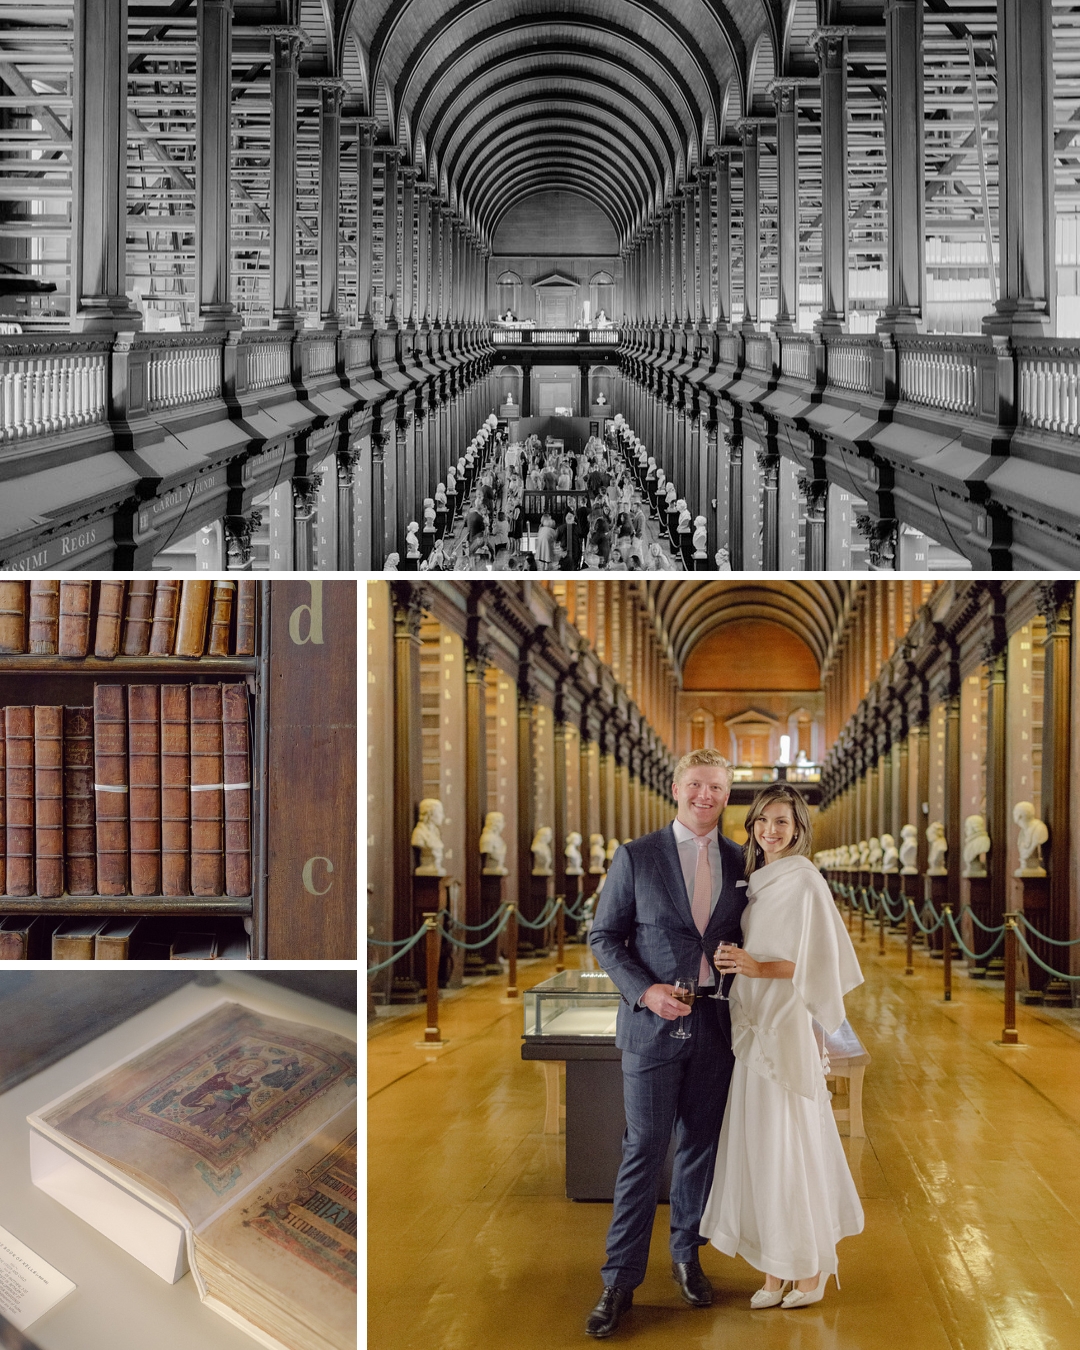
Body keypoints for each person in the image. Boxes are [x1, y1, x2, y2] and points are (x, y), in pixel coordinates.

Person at [586, 749, 746, 1338]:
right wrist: (644, 990)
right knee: (644, 1148)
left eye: (718, 788)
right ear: (676, 788)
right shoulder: (637, 856)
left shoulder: (741, 861)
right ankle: (619, 1281)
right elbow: (604, 937)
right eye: (697, 785)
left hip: (715, 1026)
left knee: (700, 1145)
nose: (706, 796)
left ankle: (687, 1256)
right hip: (653, 1025)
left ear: (727, 796)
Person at [699, 782, 864, 1308]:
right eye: (762, 821)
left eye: (782, 823)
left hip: (785, 1020)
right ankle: (775, 1269)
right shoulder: (760, 879)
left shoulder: (806, 881)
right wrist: (739, 963)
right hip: (753, 1018)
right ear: (752, 827)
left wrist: (753, 965)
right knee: (761, 1144)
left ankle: (811, 1269)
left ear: (798, 830)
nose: (771, 831)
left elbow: (819, 965)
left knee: (790, 1142)